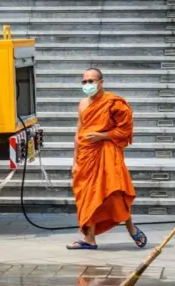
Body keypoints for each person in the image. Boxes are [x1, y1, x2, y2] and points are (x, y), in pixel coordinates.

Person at [67, 68, 147, 250]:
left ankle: (132, 229)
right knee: (87, 195)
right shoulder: (82, 104)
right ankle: (89, 239)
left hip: (107, 153)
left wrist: (103, 136)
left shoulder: (114, 103)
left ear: (101, 82)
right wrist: (75, 161)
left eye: (91, 81)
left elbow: (125, 130)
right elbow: (78, 133)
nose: (88, 85)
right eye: (84, 81)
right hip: (87, 156)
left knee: (115, 193)